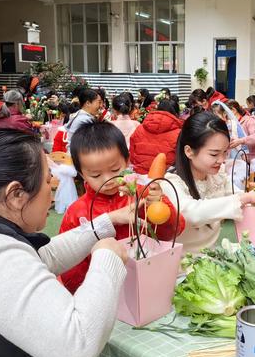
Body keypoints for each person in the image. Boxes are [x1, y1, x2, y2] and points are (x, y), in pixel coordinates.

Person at [0, 128, 182, 357]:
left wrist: (106, 223)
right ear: (15, 195)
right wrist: (106, 257)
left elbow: (42, 257)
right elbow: (78, 343)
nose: (51, 191)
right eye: (49, 181)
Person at [59, 121, 184, 294]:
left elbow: (172, 231)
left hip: (144, 285)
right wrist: (82, 292)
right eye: (95, 174)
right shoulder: (77, 211)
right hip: (100, 291)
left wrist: (157, 203)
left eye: (115, 169)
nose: (107, 179)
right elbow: (70, 261)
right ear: (81, 174)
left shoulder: (141, 195)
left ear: (126, 161)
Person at [161, 111, 255, 256]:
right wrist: (246, 198)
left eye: (225, 153)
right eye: (214, 154)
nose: (221, 160)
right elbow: (191, 214)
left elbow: (239, 197)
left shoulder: (216, 175)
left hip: (210, 257)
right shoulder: (170, 182)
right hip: (181, 265)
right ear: (189, 151)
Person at [129, 99, 183, 174]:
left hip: (139, 178)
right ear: (177, 114)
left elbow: (131, 156)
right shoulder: (179, 134)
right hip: (166, 180)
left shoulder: (139, 129)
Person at [64, 87, 103, 152]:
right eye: (99, 102)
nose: (101, 106)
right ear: (88, 103)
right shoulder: (84, 120)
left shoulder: (81, 115)